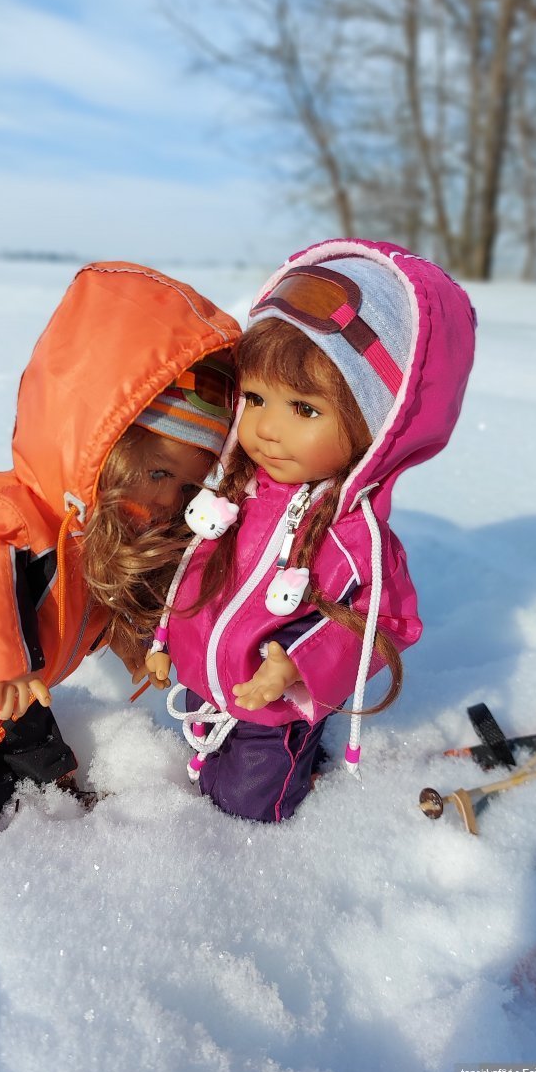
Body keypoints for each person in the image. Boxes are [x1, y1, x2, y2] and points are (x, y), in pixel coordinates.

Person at [0, 261, 240, 818]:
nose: (167, 501)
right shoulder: (15, 511)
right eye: (157, 475)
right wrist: (1, 663)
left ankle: (49, 788)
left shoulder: (117, 523)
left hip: (16, 675)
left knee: (26, 731)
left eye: (186, 486)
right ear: (100, 452)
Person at [146, 239, 476, 822]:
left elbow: (388, 621)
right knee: (202, 776)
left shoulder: (354, 537)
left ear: (379, 425)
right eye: (254, 397)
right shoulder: (236, 494)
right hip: (204, 685)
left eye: (305, 410)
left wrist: (299, 665)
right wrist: (164, 640)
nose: (268, 429)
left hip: (274, 710)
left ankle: (286, 803)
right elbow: (198, 572)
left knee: (249, 802)